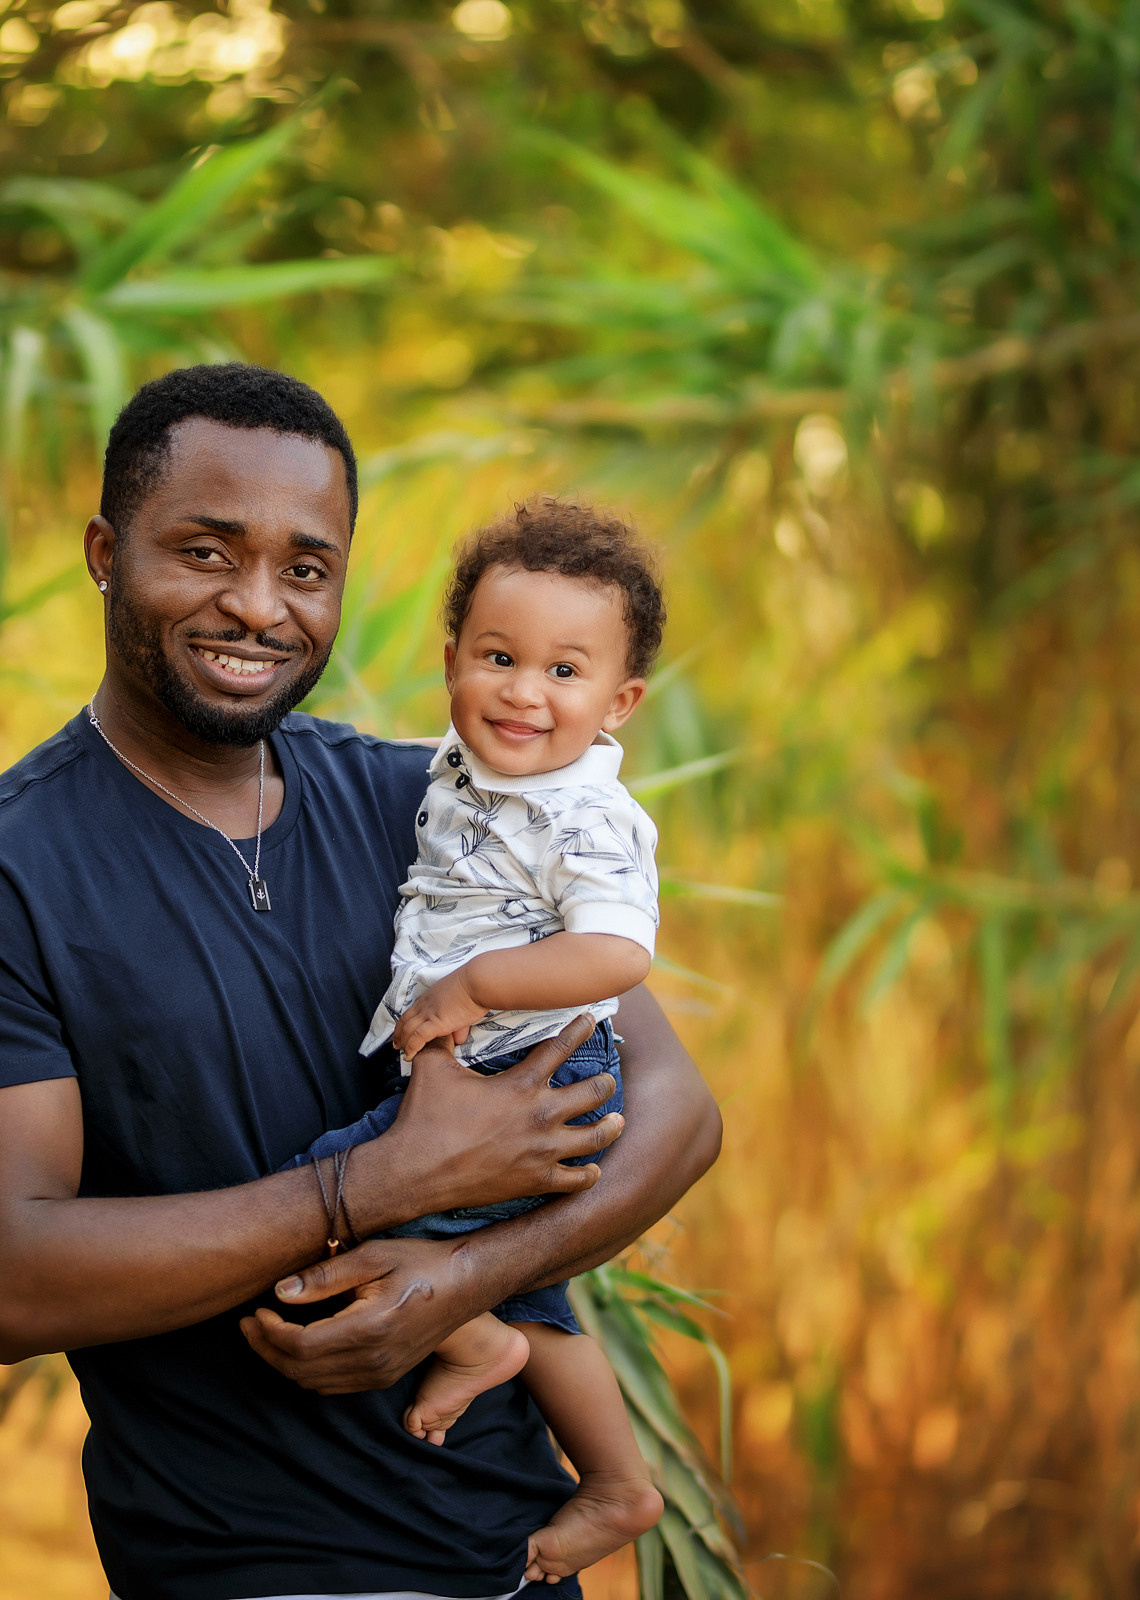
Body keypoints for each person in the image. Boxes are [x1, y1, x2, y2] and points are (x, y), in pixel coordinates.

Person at [0, 362, 721, 1600]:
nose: (259, 607)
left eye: (306, 568)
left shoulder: (429, 805)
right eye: (207, 553)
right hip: (254, 1567)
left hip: (517, 1557)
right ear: (107, 552)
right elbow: (7, 1278)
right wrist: (373, 1184)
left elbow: (679, 1111)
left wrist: (461, 1278)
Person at [274, 500, 670, 1581]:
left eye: (564, 672)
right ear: (450, 659)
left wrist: (477, 986)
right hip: (497, 1057)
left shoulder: (583, 814)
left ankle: (468, 1332)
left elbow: (617, 953)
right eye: (497, 657)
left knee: (322, 1196)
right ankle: (616, 1476)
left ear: (619, 700)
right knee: (534, 1293)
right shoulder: (473, 765)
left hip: (526, 1067)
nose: (523, 692)